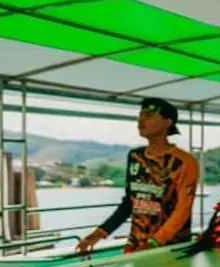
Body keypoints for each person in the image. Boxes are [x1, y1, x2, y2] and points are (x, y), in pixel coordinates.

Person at [77, 98, 200, 254]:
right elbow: (130, 202)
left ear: (167, 123)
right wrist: (100, 233)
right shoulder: (135, 156)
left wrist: (155, 242)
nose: (140, 120)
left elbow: (183, 209)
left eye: (149, 115)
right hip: (137, 243)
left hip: (171, 246)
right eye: (140, 116)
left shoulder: (185, 162)